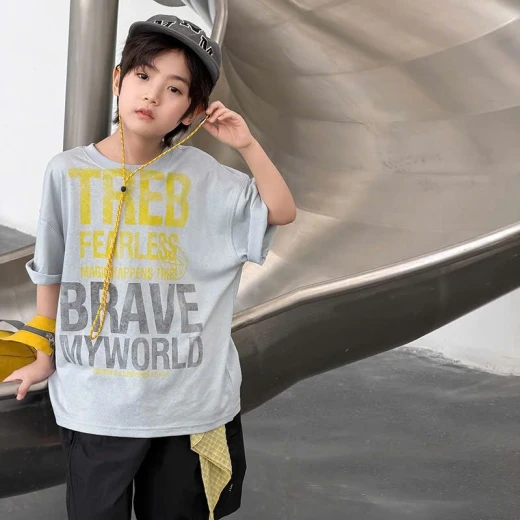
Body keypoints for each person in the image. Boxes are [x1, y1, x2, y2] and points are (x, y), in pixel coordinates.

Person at [2, 14, 296, 520]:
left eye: (174, 89)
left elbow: (281, 210)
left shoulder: (206, 178)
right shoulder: (67, 172)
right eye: (143, 75)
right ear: (119, 79)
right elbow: (51, 269)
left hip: (189, 406)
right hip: (96, 401)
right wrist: (44, 349)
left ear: (193, 110)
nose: (152, 96)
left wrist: (246, 145)